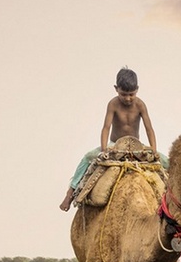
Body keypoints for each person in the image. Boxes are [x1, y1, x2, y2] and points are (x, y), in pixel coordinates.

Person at [60, 67, 166, 211]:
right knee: (87, 158)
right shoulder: (113, 104)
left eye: (131, 94)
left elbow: (149, 128)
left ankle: (179, 199)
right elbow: (106, 127)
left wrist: (153, 150)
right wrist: (104, 150)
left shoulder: (140, 105)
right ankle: (70, 193)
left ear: (137, 90)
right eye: (124, 94)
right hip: (114, 145)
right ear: (116, 89)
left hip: (137, 147)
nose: (128, 98)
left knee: (167, 162)